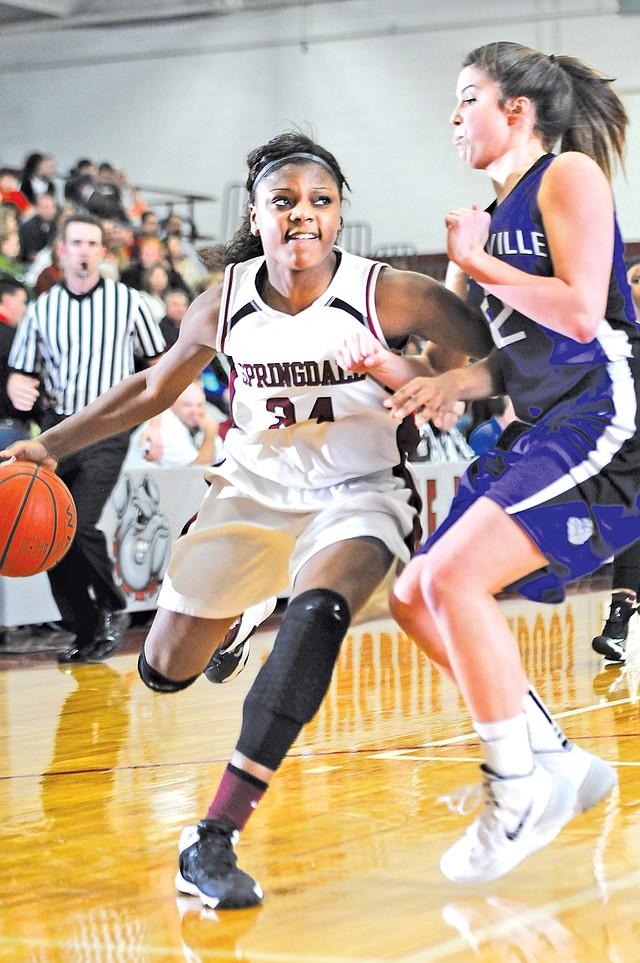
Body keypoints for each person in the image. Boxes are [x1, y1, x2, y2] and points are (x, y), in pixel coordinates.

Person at [1, 130, 491, 909]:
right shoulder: (224, 300)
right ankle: (244, 610)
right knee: (163, 670)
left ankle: (214, 835)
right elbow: (151, 390)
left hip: (359, 490)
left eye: (321, 201)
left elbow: (489, 365)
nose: (304, 214)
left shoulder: (392, 292)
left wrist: (439, 378)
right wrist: (47, 447)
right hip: (252, 491)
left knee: (321, 611)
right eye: (285, 201)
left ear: (340, 216)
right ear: (256, 216)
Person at [363, 41, 634, 885]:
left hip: (607, 413)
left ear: (516, 111)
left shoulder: (567, 177)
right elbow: (508, 362)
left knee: (449, 584)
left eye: (467, 98)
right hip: (543, 417)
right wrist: (431, 382)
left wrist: (476, 262)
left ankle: (513, 790)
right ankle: (556, 762)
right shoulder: (488, 212)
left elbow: (584, 316)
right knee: (413, 597)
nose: (452, 116)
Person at [6, 213, 166, 664]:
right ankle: (85, 630)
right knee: (49, 534)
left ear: (102, 252)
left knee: (78, 524)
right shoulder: (41, 309)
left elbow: (159, 368)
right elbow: (22, 372)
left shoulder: (128, 302)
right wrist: (17, 386)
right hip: (55, 431)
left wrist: (153, 424)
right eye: (75, 242)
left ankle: (113, 605)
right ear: (62, 251)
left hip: (110, 427)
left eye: (91, 243)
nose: (83, 250)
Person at [591, 256, 640, 663]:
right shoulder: (610, 338)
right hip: (624, 450)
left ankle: (618, 623)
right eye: (635, 279)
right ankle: (618, 623)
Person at [124, 380, 221, 468]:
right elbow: (199, 472)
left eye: (199, 405)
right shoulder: (167, 427)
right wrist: (210, 434)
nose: (195, 411)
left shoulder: (196, 423)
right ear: (171, 404)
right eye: (187, 405)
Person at [0, 275, 35, 448]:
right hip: (8, 429)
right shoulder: (15, 340)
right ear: (8, 300)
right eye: (23, 302)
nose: (25, 309)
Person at [18, 193, 59, 264]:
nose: (49, 210)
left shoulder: (55, 225)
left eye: (52, 207)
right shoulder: (27, 226)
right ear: (37, 208)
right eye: (45, 207)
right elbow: (30, 254)